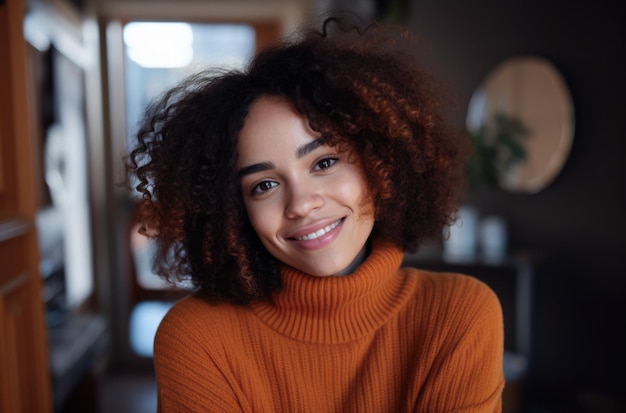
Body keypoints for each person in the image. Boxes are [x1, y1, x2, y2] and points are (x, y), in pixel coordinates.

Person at [126, 15, 504, 413]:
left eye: (324, 163)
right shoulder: (196, 337)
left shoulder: (459, 314)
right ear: (234, 213)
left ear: (380, 164)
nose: (301, 204)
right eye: (264, 186)